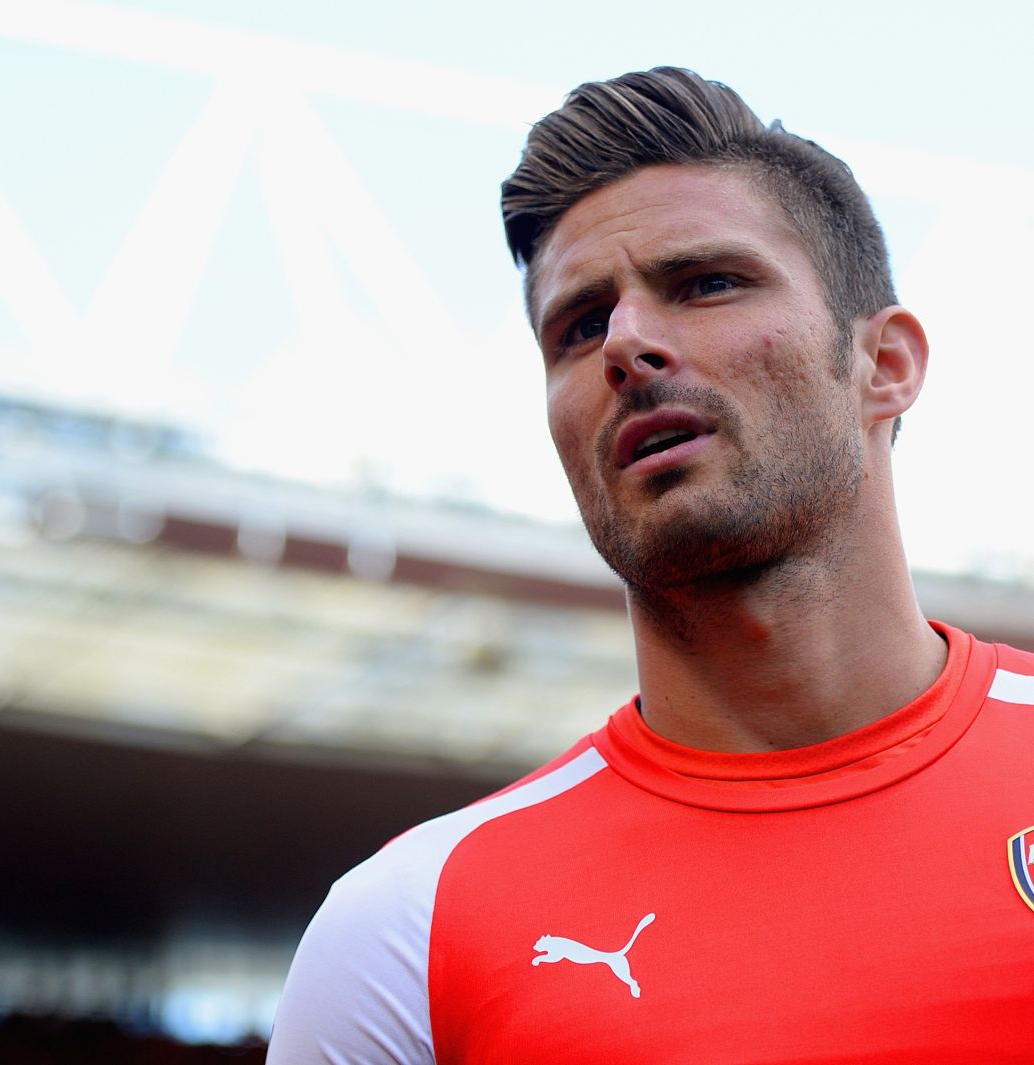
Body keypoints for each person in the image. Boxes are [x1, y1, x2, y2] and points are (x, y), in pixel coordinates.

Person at [267, 67, 1034, 1064]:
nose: (625, 344)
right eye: (580, 326)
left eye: (706, 283)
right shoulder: (403, 933)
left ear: (882, 365)